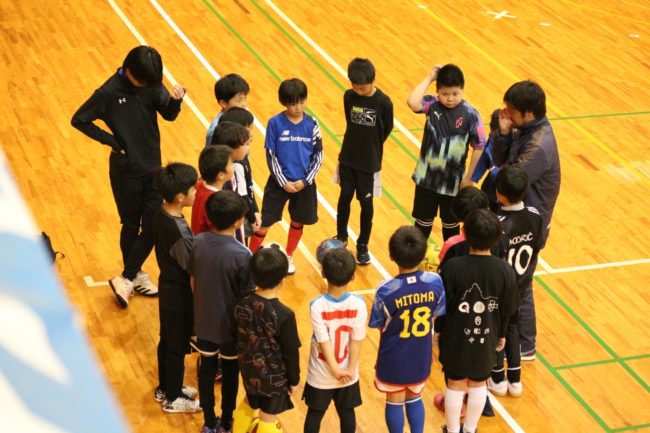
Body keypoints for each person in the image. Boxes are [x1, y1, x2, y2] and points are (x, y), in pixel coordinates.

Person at [71, 45, 187, 307]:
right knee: (131, 225)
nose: (146, 85)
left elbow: (168, 114)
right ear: (129, 70)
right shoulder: (108, 92)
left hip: (153, 168)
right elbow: (79, 120)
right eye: (142, 81)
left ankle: (127, 276)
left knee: (154, 225)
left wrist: (175, 101)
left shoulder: (150, 82)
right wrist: (112, 141)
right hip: (126, 172)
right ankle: (135, 273)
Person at [436, 209, 518, 433]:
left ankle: (452, 430)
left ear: (464, 232)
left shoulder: (452, 267)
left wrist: (438, 331)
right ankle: (470, 430)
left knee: (455, 383)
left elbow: (443, 305)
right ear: (497, 237)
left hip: (455, 337)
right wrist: (502, 334)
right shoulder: (505, 271)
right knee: (479, 383)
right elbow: (508, 308)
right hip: (487, 336)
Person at [369, 226, 446, 433]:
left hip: (393, 356)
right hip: (421, 354)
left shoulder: (385, 290)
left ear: (391, 256)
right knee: (415, 396)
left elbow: (378, 324)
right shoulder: (436, 282)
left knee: (394, 399)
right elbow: (437, 313)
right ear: (423, 255)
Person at [190, 190, 254, 433]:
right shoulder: (243, 254)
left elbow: (193, 281)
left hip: (203, 321)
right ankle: (227, 421)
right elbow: (246, 297)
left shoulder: (197, 242)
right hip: (231, 329)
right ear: (238, 222)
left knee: (206, 371)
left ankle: (208, 421)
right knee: (230, 374)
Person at [248, 78, 323, 275]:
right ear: (284, 103)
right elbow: (271, 155)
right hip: (278, 184)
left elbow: (318, 156)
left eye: (302, 101)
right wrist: (283, 182)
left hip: (304, 185)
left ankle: (289, 255)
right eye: (293, 103)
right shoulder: (275, 123)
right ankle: (249, 257)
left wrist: (305, 181)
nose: (298, 107)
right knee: (264, 223)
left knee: (297, 222)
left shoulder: (313, 124)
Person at [406, 64, 486, 242]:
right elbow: (412, 102)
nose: (450, 99)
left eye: (455, 93)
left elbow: (479, 146)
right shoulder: (432, 105)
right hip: (426, 179)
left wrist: (469, 177)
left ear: (463, 89)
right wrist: (429, 77)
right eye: (445, 94)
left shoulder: (470, 114)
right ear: (437, 91)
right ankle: (416, 256)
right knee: (422, 224)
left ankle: (451, 258)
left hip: (453, 181)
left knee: (451, 226)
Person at [232, 247, 301, 433]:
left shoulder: (241, 302)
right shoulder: (285, 315)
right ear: (282, 279)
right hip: (274, 378)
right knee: (268, 417)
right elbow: (291, 352)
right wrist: (294, 380)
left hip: (248, 370)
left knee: (248, 404)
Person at [334, 58, 394, 265]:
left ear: (373, 81)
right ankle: (341, 237)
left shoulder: (384, 102)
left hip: (369, 163)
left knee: (366, 203)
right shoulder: (348, 96)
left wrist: (372, 146)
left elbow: (387, 128)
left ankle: (363, 245)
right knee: (345, 196)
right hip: (348, 158)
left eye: (362, 88)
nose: (358, 91)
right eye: (355, 87)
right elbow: (349, 122)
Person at [152, 162, 200, 413]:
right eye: (192, 188)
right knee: (176, 346)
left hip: (167, 287)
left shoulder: (162, 212)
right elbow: (191, 269)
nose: (196, 191)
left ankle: (166, 386)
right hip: (179, 294)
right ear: (180, 197)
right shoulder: (179, 232)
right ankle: (173, 397)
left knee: (167, 339)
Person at [491, 80, 561, 250]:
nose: (506, 113)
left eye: (511, 110)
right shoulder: (525, 129)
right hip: (517, 215)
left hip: (528, 225)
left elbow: (509, 182)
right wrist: (504, 134)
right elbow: (499, 161)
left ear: (528, 113)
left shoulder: (538, 147)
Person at [303, 248, 367, 433]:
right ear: (353, 276)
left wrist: (335, 369)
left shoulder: (317, 305)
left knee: (315, 414)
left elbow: (323, 341)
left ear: (323, 273)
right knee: (347, 412)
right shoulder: (359, 304)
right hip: (348, 372)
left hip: (321, 373)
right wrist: (349, 369)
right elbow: (357, 339)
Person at [490, 166, 543, 369]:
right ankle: (521, 357)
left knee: (499, 325)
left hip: (501, 286)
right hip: (523, 278)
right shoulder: (535, 214)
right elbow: (537, 244)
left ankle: (495, 365)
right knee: (514, 321)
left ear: (499, 193)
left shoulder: (498, 225)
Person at [220, 108, 261, 243]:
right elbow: (242, 195)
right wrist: (253, 217)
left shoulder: (242, 154)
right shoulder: (236, 163)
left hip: (247, 210)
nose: (251, 133)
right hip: (241, 215)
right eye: (248, 129)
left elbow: (249, 186)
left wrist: (255, 210)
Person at [437, 186, 490, 270]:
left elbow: (444, 268)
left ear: (456, 212)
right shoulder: (499, 236)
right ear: (486, 208)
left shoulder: (452, 244)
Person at [191, 145, 235, 235]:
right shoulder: (216, 203)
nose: (233, 165)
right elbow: (219, 234)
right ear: (221, 175)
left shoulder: (199, 184)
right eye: (231, 164)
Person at [206, 73, 250, 146]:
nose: (244, 104)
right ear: (223, 103)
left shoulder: (240, 119)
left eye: (245, 98)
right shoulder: (215, 132)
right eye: (239, 100)